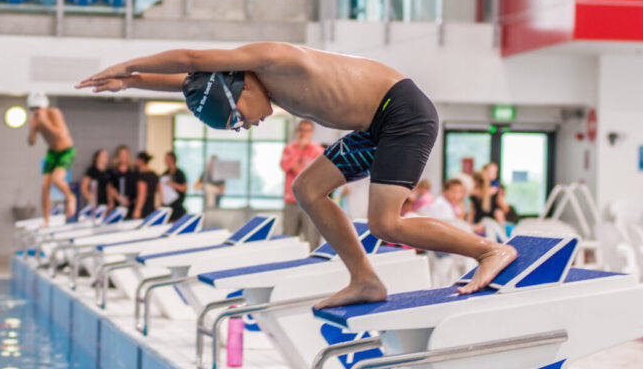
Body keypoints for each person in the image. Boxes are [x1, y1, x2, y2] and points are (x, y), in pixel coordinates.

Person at [77, 42, 517, 308]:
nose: (246, 126)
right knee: (307, 187)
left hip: (401, 114)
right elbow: (195, 79)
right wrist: (135, 82)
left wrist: (124, 65)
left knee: (386, 223)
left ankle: (488, 251)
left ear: (243, 89)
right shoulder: (245, 83)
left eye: (237, 119)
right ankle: (364, 279)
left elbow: (192, 58)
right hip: (371, 126)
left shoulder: (272, 60)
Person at [27, 92, 77, 225]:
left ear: (45, 107)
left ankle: (70, 197)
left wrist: (45, 123)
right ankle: (46, 219)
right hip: (52, 152)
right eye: (33, 109)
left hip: (66, 151)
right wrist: (33, 129)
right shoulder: (34, 119)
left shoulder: (54, 113)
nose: (36, 112)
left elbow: (60, 135)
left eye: (38, 108)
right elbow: (31, 142)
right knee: (44, 186)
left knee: (56, 179)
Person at [280, 120, 324, 248]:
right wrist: (299, 150)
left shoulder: (318, 151)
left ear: (312, 133)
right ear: (297, 131)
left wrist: (298, 168)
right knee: (288, 239)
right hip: (291, 201)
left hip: (310, 202)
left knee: (312, 239)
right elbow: (286, 166)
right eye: (302, 130)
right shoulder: (289, 149)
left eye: (307, 130)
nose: (304, 134)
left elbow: (312, 176)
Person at [159, 151, 188, 221]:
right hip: (168, 207)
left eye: (167, 159)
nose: (165, 161)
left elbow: (184, 188)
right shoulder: (164, 174)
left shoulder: (179, 173)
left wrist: (173, 184)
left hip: (177, 207)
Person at [108, 145, 137, 212]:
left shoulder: (133, 170)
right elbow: (110, 188)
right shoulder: (113, 171)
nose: (124, 157)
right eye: (121, 154)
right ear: (118, 156)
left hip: (132, 206)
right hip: (117, 205)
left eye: (125, 154)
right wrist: (120, 198)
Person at [132, 152, 159, 220]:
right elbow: (159, 192)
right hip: (152, 207)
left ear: (141, 161)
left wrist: (138, 209)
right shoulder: (154, 175)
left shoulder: (142, 176)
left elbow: (142, 193)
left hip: (144, 208)